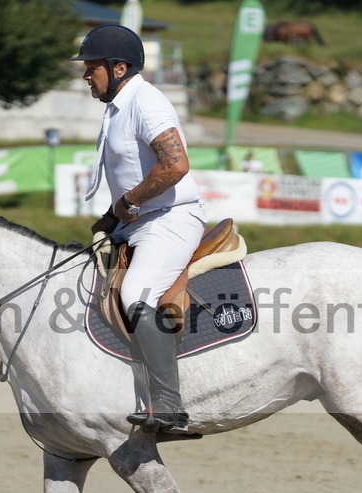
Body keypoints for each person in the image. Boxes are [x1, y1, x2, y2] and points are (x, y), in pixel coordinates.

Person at [74, 24, 207, 434]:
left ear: (118, 68)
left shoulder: (146, 102)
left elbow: (176, 165)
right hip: (138, 222)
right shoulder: (119, 105)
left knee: (135, 296)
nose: (85, 76)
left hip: (169, 220)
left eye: (91, 67)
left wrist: (128, 204)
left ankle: (169, 406)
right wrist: (114, 216)